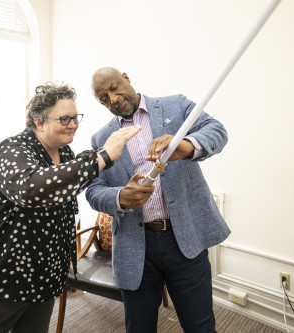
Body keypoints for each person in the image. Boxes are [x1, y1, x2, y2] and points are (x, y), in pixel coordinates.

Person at [0, 81, 141, 333]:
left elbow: (75, 178)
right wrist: (103, 157)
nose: (73, 124)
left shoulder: (67, 155)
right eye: (64, 119)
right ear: (39, 122)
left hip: (42, 281)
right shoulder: (11, 150)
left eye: (75, 117)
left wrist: (125, 190)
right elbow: (31, 188)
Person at [86, 67, 231, 333]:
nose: (113, 98)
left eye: (114, 87)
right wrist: (120, 197)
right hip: (134, 247)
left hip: (185, 239)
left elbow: (217, 131)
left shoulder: (175, 105)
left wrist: (185, 146)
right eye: (104, 98)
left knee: (200, 326)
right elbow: (93, 190)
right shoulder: (101, 139)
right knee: (139, 328)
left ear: (126, 78)